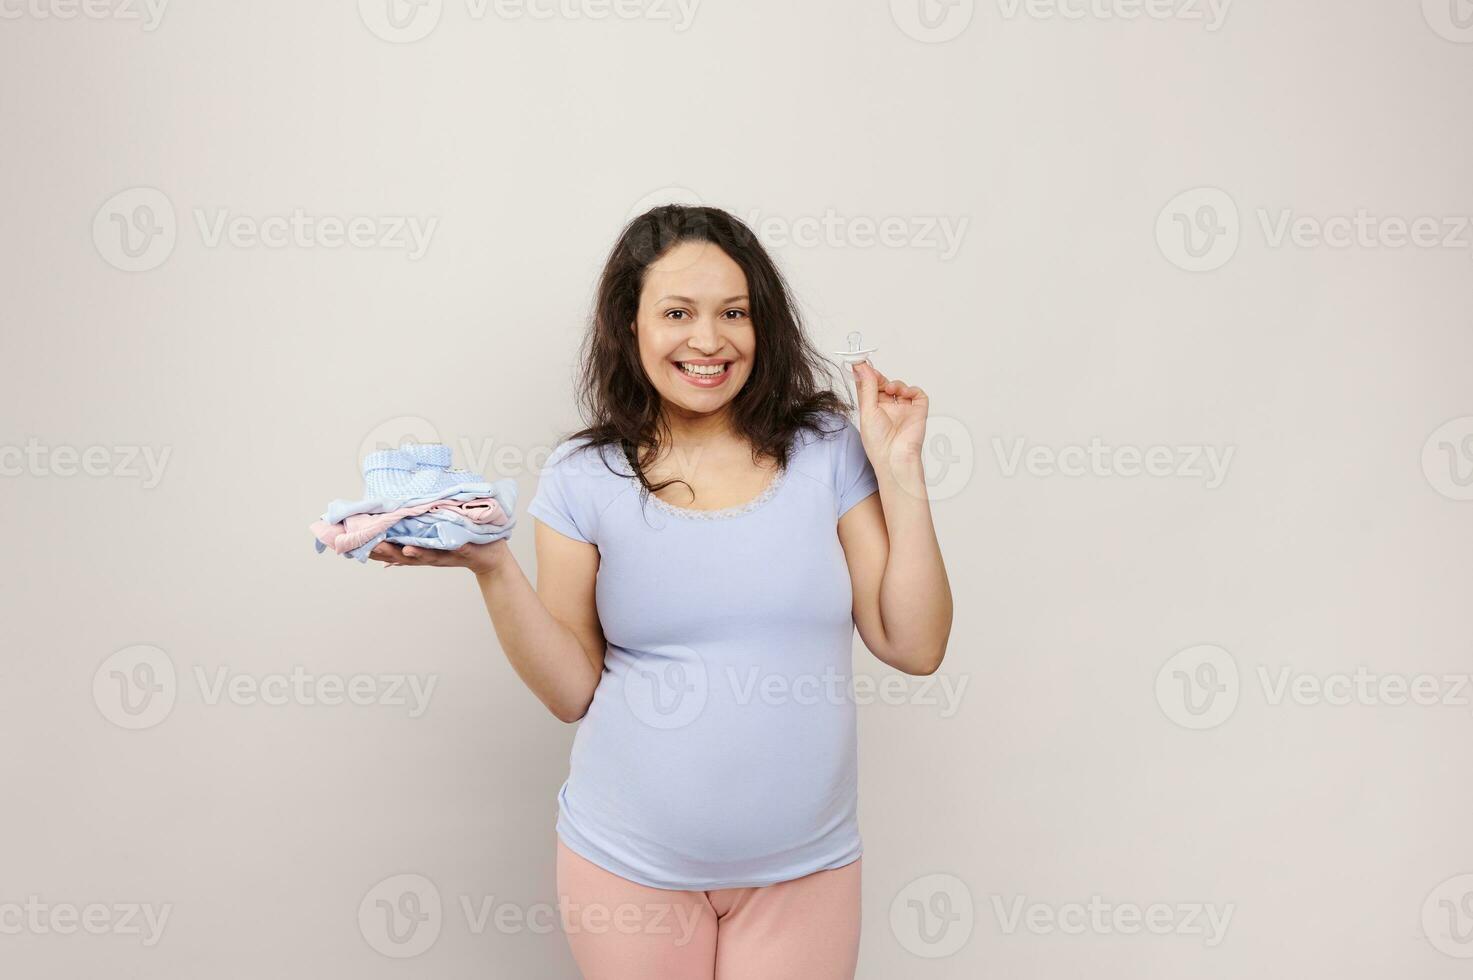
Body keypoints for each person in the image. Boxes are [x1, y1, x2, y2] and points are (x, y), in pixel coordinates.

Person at [368, 205, 953, 979]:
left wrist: (899, 468)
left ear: (761, 326)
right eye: (677, 312)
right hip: (626, 866)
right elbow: (572, 689)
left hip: (805, 870)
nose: (707, 341)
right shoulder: (583, 479)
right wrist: (494, 569)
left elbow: (913, 644)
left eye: (732, 314)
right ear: (629, 326)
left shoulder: (829, 449)